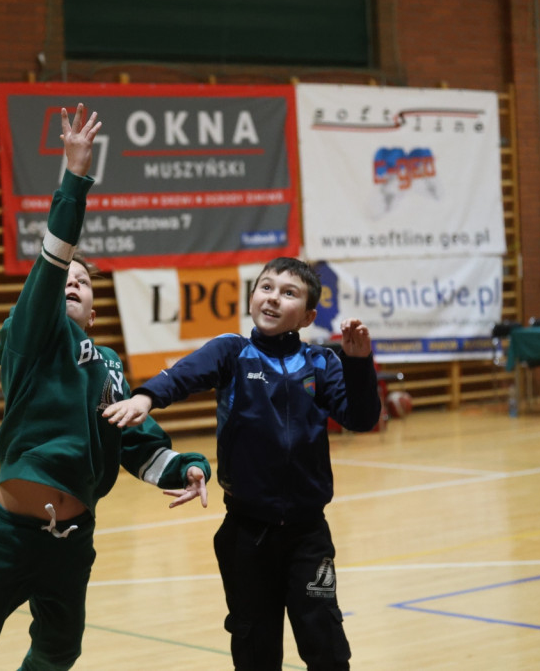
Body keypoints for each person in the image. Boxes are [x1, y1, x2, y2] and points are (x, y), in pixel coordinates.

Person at [0, 103, 212, 671]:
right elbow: (53, 262)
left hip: (73, 540)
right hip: (9, 533)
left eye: (84, 283)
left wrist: (187, 468)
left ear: (96, 310)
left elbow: (138, 442)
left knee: (59, 650)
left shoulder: (106, 363)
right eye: (65, 279)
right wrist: (74, 180)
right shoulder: (30, 338)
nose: (73, 284)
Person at [104, 257, 381, 671]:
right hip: (245, 536)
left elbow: (361, 418)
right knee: (254, 648)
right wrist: (145, 398)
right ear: (252, 298)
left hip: (308, 535)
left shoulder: (321, 363)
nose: (273, 298)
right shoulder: (233, 353)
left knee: (325, 641)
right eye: (266, 287)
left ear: (306, 316)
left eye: (289, 293)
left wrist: (359, 364)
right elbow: (182, 376)